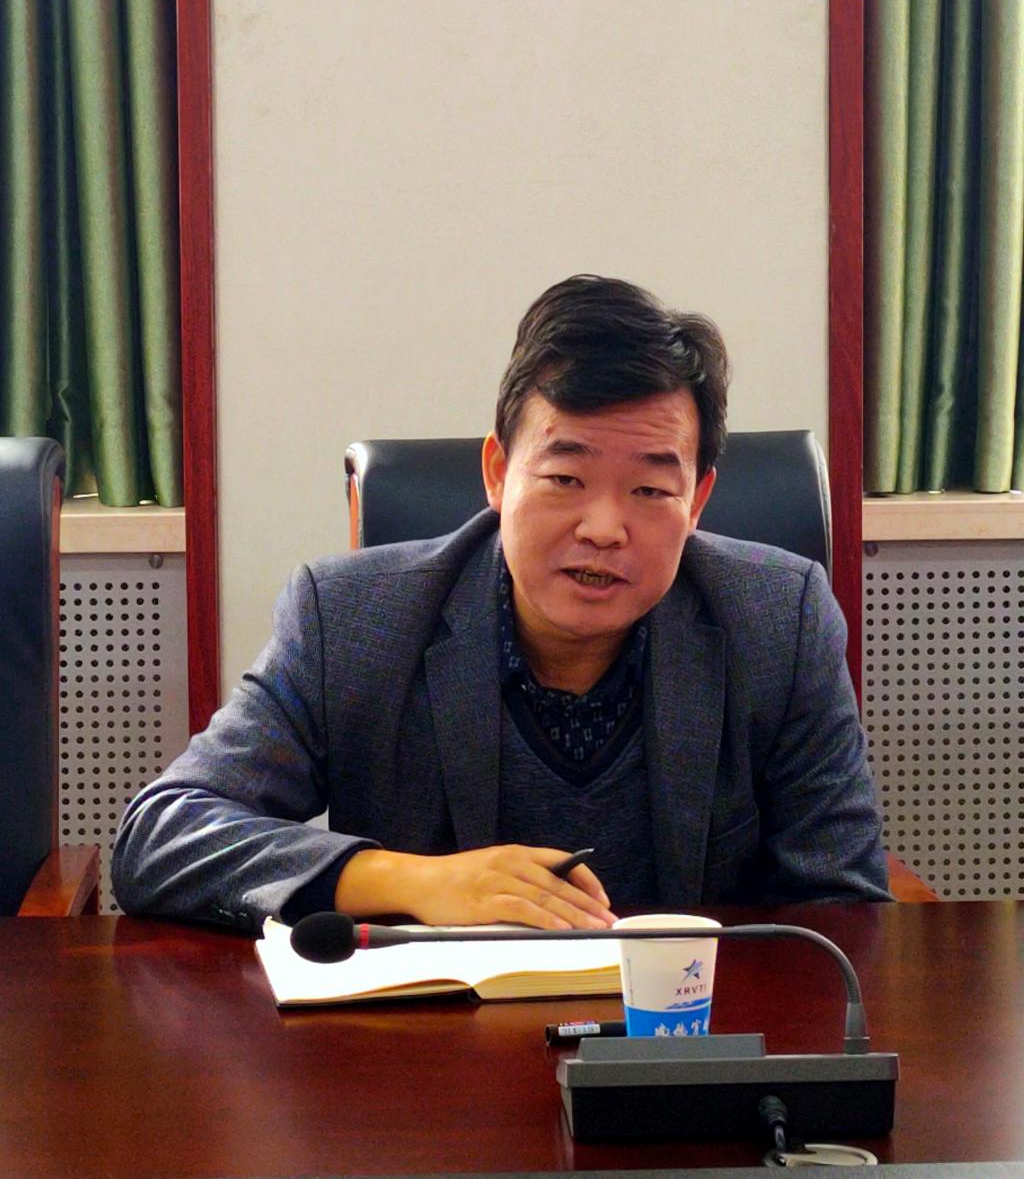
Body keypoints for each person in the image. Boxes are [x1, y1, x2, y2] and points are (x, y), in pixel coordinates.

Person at [113, 275, 889, 933]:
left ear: (699, 501)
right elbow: (161, 835)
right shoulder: (349, 620)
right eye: (565, 478)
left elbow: (845, 910)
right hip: (437, 1046)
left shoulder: (778, 621)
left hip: (687, 1038)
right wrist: (414, 880)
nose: (604, 527)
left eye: (651, 489)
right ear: (496, 471)